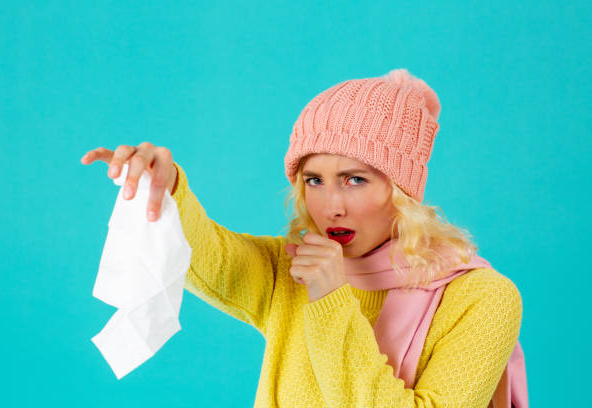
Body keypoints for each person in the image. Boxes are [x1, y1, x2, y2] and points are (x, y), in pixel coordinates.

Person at [81, 68, 528, 408]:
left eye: (354, 180)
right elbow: (207, 254)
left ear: (403, 189)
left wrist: (332, 298)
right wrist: (169, 185)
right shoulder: (291, 269)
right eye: (313, 180)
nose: (331, 205)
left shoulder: (482, 299)